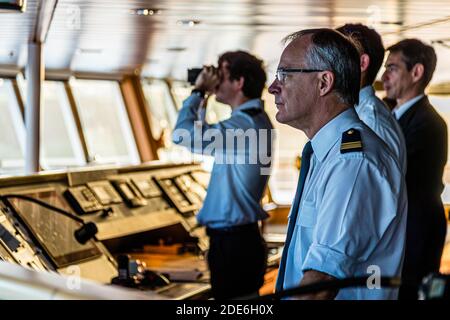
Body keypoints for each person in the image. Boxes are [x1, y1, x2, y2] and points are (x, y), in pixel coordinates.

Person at [268, 28, 407, 299]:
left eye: (285, 74)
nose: (274, 86)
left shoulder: (352, 163)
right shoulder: (327, 154)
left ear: (324, 82)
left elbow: (320, 284)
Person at [172, 51, 274, 299]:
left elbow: (183, 135)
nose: (216, 79)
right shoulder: (249, 122)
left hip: (235, 244)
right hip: (237, 240)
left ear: (239, 83)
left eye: (222, 74)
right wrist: (204, 97)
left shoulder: (245, 126)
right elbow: (198, 134)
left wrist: (198, 93)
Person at [382, 39, 448, 299]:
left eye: (393, 68)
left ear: (417, 72)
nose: (385, 76)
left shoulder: (429, 124)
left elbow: (393, 174)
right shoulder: (392, 116)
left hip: (416, 231)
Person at [336, 23, 406, 173]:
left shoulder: (372, 122)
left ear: (362, 63)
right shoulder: (358, 114)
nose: (327, 63)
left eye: (337, 55)